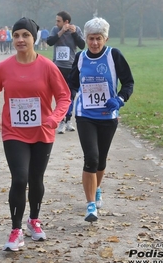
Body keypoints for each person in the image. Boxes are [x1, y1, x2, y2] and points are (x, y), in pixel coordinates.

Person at [0, 17, 71, 252]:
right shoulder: (4, 67)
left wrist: (54, 119)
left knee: (36, 179)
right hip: (13, 132)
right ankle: (15, 230)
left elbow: (64, 96)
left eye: (25, 35)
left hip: (43, 132)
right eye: (16, 35)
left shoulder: (47, 67)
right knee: (20, 178)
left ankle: (34, 220)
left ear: (34, 38)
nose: (20, 40)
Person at [67, 17, 134, 222]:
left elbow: (128, 83)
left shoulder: (113, 55)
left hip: (107, 116)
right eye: (90, 39)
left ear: (106, 38)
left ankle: (96, 189)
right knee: (91, 158)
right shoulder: (80, 58)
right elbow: (72, 83)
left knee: (101, 161)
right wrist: (67, 99)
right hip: (85, 115)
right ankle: (90, 205)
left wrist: (120, 99)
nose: (94, 43)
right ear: (85, 38)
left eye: (98, 38)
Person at [47, 11, 85, 134]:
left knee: (71, 95)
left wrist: (74, 33)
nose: (56, 22)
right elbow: (50, 41)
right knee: (60, 95)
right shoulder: (55, 29)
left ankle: (68, 120)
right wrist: (61, 31)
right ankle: (61, 121)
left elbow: (82, 45)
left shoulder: (76, 29)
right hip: (58, 67)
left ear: (66, 22)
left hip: (72, 67)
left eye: (58, 21)